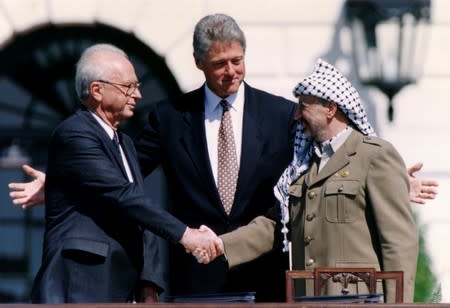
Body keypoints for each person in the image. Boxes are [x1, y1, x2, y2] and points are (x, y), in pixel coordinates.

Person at [9, 14, 437, 302]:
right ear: (199, 63)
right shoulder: (170, 117)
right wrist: (62, 180)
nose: (231, 71)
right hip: (199, 278)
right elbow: (125, 176)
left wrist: (397, 183)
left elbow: (322, 165)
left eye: (238, 61)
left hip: (270, 278)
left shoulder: (282, 113)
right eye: (219, 64)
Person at [199, 59, 419, 303]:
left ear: (330, 109)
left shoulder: (374, 156)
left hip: (357, 301)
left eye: (303, 107)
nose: (296, 115)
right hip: (307, 299)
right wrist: (221, 244)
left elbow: (399, 243)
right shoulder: (303, 165)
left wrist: (399, 305)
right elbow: (274, 225)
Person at [28, 43, 220, 303]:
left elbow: (138, 210)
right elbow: (122, 195)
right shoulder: (74, 133)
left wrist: (149, 282)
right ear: (97, 90)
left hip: (121, 286)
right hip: (80, 284)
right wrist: (186, 235)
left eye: (137, 86)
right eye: (128, 87)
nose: (138, 95)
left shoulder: (125, 143)